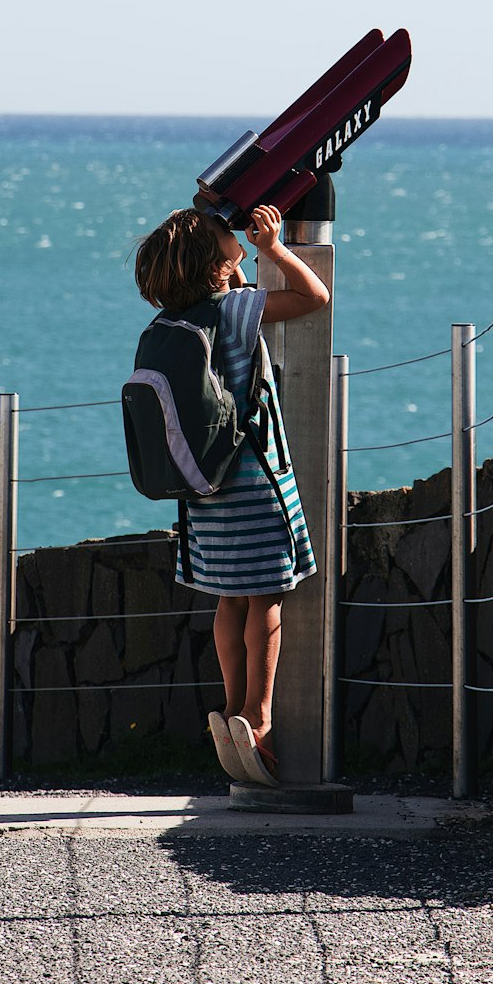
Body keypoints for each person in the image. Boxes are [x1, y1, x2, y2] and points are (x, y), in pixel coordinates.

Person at [133, 202, 330, 787]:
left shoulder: (173, 323)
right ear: (215, 259)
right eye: (226, 233)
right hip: (254, 481)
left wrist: (236, 269)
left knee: (229, 599)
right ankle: (260, 717)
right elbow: (312, 297)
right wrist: (274, 248)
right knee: (266, 598)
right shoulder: (239, 309)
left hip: (203, 488)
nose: (234, 233)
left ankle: (232, 704)